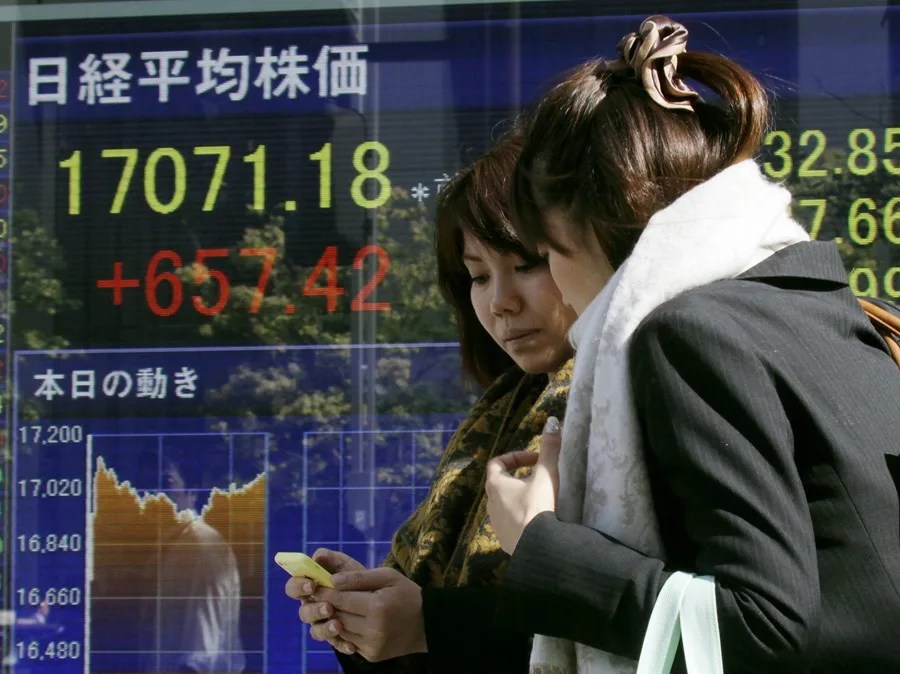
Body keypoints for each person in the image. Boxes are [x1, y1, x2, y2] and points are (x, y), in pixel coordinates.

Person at [480, 14, 900, 674]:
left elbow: (765, 628)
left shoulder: (692, 335)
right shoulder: (842, 313)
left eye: (547, 253)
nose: (558, 290)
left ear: (598, 231)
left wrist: (542, 546)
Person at [285, 133, 577, 672]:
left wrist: (431, 622)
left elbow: (616, 626)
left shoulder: (621, 404)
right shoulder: (499, 411)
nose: (500, 302)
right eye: (479, 275)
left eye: (528, 264)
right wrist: (369, 620)